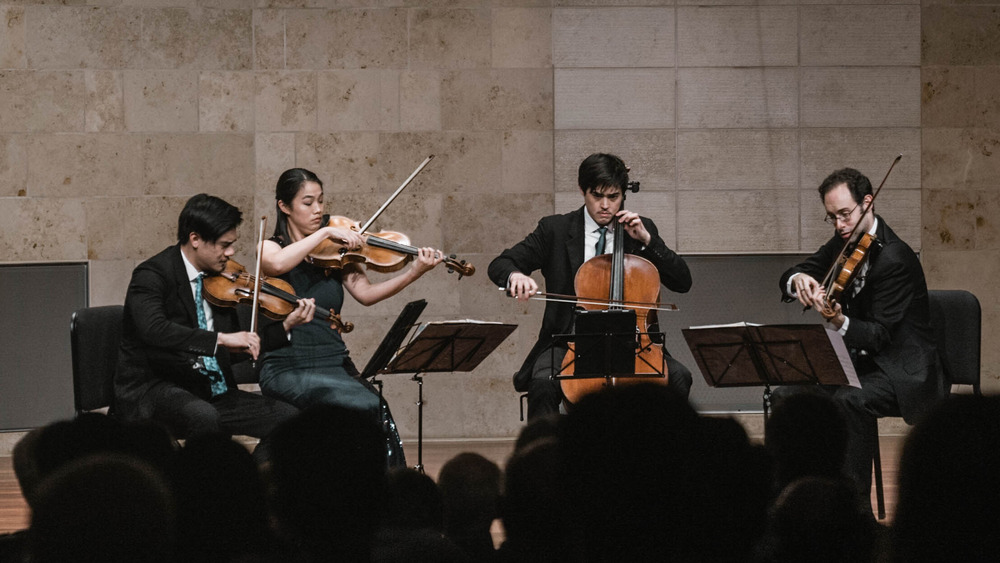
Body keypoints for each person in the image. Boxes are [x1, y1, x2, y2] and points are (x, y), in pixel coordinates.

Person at [777, 167, 947, 500]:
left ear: (867, 203)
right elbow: (796, 271)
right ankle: (791, 497)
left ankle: (854, 507)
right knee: (788, 395)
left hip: (900, 367)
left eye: (845, 214)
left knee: (850, 400)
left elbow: (879, 336)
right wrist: (798, 280)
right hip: (861, 361)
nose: (840, 225)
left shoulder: (895, 258)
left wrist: (839, 320)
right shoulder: (844, 240)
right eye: (832, 217)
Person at [258, 168, 444, 466]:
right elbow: (276, 264)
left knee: (376, 408)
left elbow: (366, 294)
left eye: (321, 200)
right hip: (286, 366)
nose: (318, 209)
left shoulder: (336, 252)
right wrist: (326, 231)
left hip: (335, 362)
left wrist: (414, 272)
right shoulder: (271, 246)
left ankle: (378, 494)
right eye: (308, 202)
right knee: (351, 407)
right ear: (284, 206)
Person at [488, 153, 693, 419]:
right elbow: (501, 264)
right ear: (582, 190)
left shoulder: (640, 231)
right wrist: (515, 276)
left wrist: (648, 241)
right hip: (568, 341)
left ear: (624, 195)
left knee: (679, 377)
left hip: (634, 344)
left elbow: (683, 282)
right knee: (542, 384)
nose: (605, 205)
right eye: (597, 196)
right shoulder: (555, 229)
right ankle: (546, 457)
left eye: (614, 196)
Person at [115, 194, 310, 463]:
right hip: (156, 387)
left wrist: (285, 326)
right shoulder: (152, 275)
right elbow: (154, 330)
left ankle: (246, 485)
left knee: (289, 420)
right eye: (224, 245)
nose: (230, 253)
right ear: (195, 239)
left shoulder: (219, 282)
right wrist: (220, 339)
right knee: (204, 417)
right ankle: (200, 495)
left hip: (206, 389)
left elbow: (235, 348)